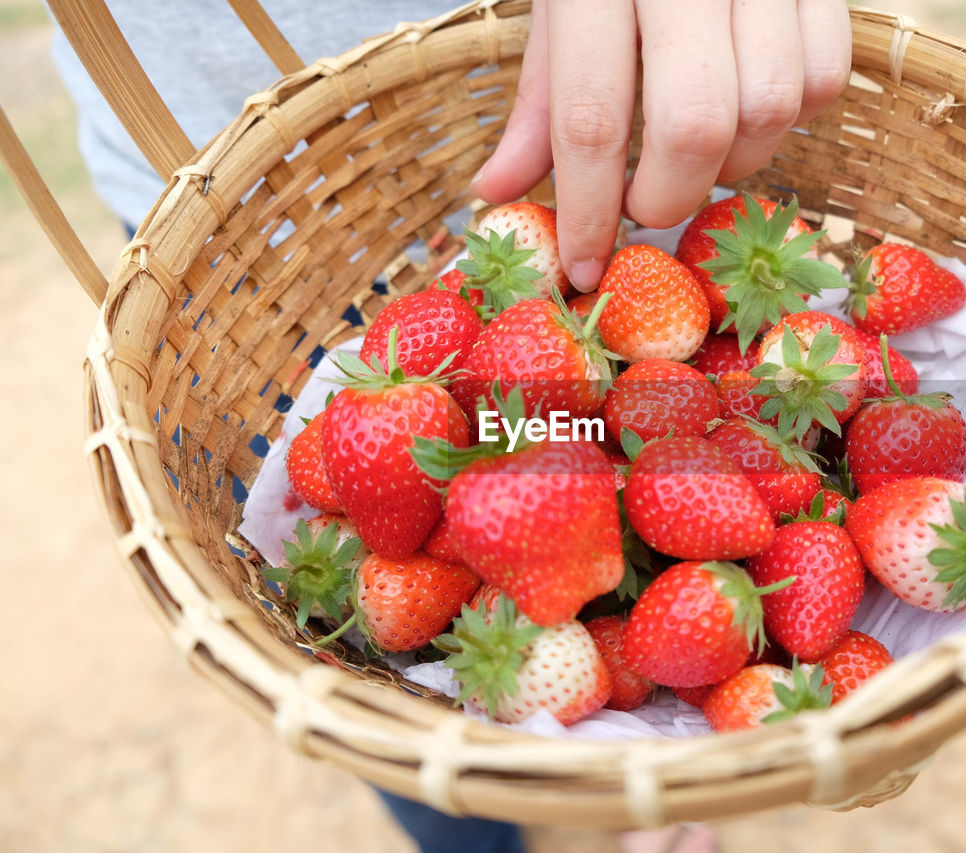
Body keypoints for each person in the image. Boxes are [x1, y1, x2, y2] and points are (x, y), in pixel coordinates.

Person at [51, 1, 852, 850]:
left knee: (495, 568)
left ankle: (654, 790)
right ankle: (478, 831)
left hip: (597, 88)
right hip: (205, 194)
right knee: (381, 696)